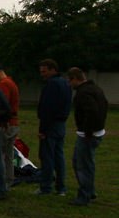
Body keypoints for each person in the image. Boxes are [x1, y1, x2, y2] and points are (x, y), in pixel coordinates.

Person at [66, 67, 108, 206]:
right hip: (96, 131)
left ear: (74, 79)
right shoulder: (95, 89)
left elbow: (91, 112)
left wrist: (88, 131)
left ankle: (84, 196)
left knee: (82, 164)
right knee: (85, 162)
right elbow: (103, 106)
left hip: (88, 134)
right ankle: (90, 191)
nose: (69, 84)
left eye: (70, 81)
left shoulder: (83, 93)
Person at [35, 58, 71, 196]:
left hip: (50, 125)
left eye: (44, 71)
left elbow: (47, 109)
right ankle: (61, 187)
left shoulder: (52, 85)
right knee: (59, 156)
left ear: (52, 69)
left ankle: (45, 187)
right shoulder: (65, 83)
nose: (42, 74)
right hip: (61, 124)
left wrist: (43, 129)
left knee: (47, 156)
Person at [0, 64, 20, 188]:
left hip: (5, 124)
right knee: (9, 154)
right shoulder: (11, 82)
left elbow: (2, 104)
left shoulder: (3, 84)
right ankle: (9, 180)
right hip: (14, 123)